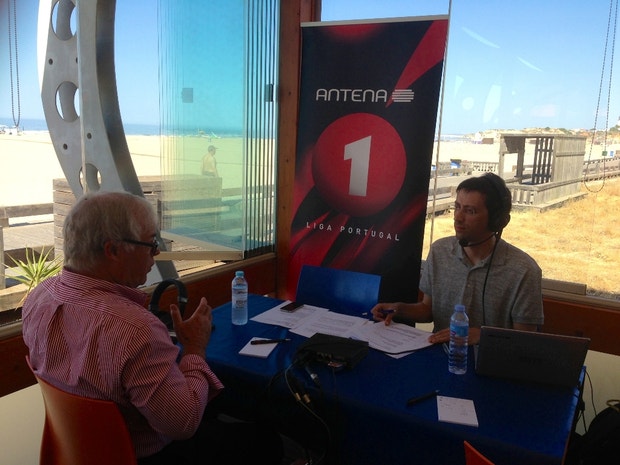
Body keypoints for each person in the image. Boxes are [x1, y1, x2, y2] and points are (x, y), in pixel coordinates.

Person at [22, 191, 283, 465]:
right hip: (145, 456)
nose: (156, 253)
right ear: (113, 250)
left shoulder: (40, 298)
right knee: (265, 441)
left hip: (79, 452)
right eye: (150, 243)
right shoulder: (135, 329)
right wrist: (195, 348)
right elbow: (183, 425)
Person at [371, 172, 544, 345]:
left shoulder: (524, 271)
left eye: (470, 211)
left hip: (490, 360)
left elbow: (525, 341)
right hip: (440, 354)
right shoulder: (440, 251)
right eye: (457, 207)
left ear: (497, 221)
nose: (458, 217)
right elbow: (427, 310)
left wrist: (481, 336)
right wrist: (398, 309)